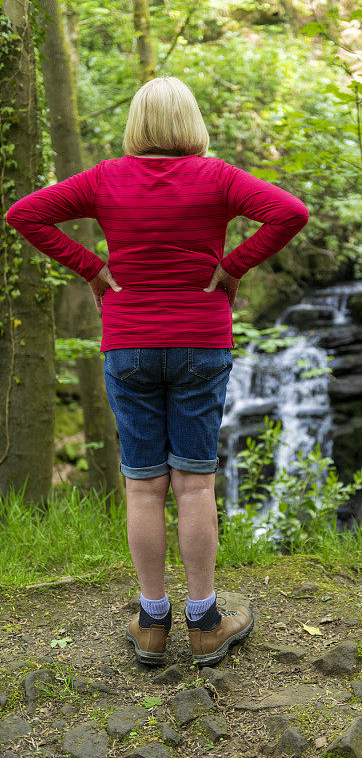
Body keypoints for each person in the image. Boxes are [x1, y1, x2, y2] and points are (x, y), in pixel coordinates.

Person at [5, 76, 310, 668]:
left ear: (138, 123)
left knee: (143, 485)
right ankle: (205, 623)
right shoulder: (217, 177)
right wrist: (231, 268)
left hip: (130, 344)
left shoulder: (105, 177)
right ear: (191, 122)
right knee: (194, 483)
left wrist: (93, 269)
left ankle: (151, 624)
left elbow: (25, 214)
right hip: (201, 339)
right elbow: (290, 212)